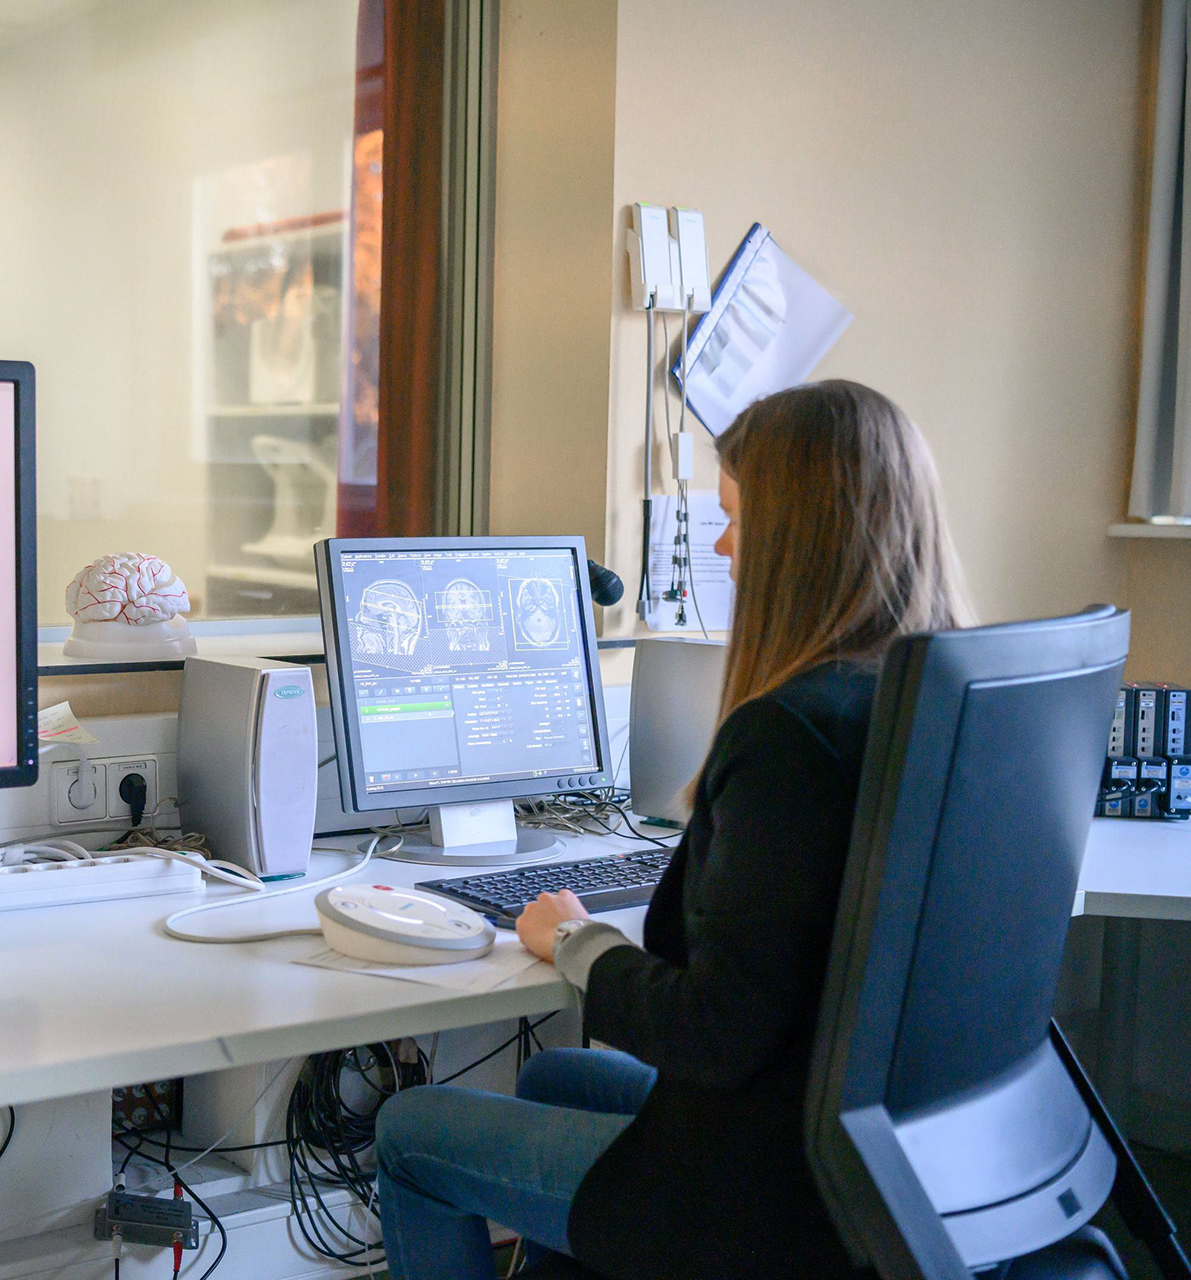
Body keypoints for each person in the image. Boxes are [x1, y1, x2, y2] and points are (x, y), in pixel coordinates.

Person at [374, 380, 971, 1280]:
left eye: (736, 519)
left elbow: (714, 1030)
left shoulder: (788, 737)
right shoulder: (930, 705)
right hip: (866, 1152)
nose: (724, 547)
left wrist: (577, 943)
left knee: (409, 1129)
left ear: (799, 541)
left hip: (758, 1193)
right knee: (552, 1080)